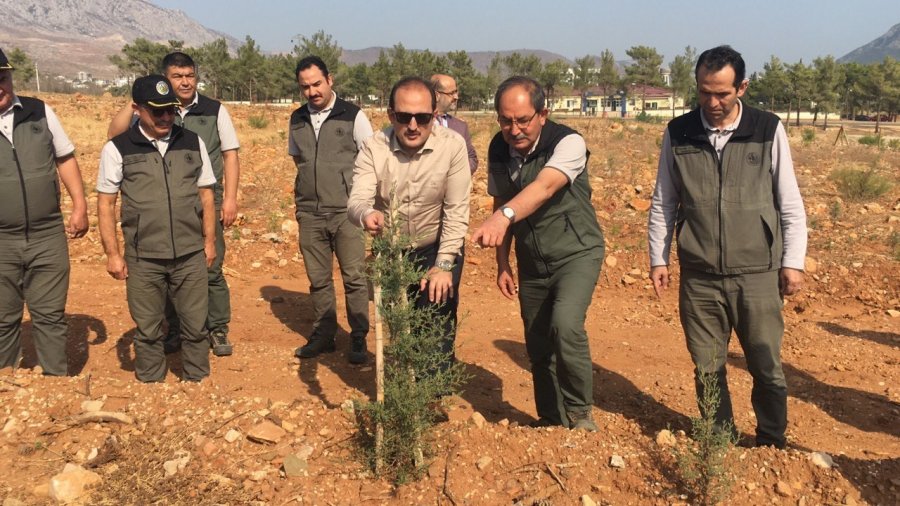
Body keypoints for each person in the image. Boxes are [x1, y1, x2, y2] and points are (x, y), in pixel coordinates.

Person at [647, 45, 807, 449]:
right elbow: (664, 200)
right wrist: (658, 256)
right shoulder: (679, 132)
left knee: (766, 364)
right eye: (705, 92)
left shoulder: (767, 129)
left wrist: (793, 262)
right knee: (707, 366)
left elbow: (789, 201)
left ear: (742, 87)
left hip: (757, 273)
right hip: (700, 276)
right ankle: (719, 438)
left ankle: (772, 440)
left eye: (722, 93)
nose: (713, 102)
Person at [472, 76, 604, 431]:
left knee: (565, 326)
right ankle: (550, 417)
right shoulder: (499, 148)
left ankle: (579, 415)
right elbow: (501, 200)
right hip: (532, 261)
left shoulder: (568, 142)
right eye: (505, 120)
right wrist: (503, 263)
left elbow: (544, 187)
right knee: (537, 341)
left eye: (523, 120)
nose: (513, 129)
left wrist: (503, 216)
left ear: (543, 114)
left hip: (576, 254)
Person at [108, 51, 241, 357]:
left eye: (190, 75)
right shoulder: (152, 111)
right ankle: (177, 329)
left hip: (205, 202)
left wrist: (230, 198)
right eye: (177, 76)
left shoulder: (213, 110)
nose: (185, 82)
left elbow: (230, 154)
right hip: (162, 207)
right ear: (164, 80)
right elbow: (113, 135)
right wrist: (139, 102)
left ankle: (217, 328)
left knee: (210, 267)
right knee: (168, 271)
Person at [97, 75, 217, 382]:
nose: (166, 117)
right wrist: (113, 254)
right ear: (137, 109)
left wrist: (209, 242)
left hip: (190, 253)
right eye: (157, 110)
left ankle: (196, 380)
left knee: (195, 325)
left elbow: (206, 195)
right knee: (149, 327)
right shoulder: (117, 148)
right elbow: (106, 204)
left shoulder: (191, 141)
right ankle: (150, 383)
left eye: (170, 110)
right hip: (143, 257)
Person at [347, 76, 471, 374]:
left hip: (438, 246)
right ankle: (405, 386)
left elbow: (456, 211)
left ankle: (431, 394)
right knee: (401, 325)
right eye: (404, 117)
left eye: (423, 117)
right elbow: (357, 200)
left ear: (434, 115)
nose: (413, 125)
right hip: (393, 251)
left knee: (436, 320)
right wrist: (366, 215)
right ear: (391, 115)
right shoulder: (374, 147)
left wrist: (443, 266)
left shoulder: (453, 146)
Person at [0, 47, 88, 375]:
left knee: (50, 314)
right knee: (3, 318)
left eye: (3, 77)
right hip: (1, 240)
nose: (0, 85)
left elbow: (64, 158)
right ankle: (8, 391)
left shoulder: (39, 112)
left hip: (47, 233)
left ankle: (56, 386)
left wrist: (79, 205)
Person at [289, 56, 372, 364]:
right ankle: (324, 335)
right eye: (305, 87)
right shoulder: (296, 119)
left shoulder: (353, 116)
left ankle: (359, 337)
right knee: (318, 279)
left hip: (346, 213)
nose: (312, 91)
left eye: (317, 84)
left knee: (354, 277)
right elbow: (299, 161)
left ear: (330, 80)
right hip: (310, 213)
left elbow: (371, 158)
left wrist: (356, 197)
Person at [430, 74, 478, 173]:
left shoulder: (461, 127)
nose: (456, 97)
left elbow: (472, 159)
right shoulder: (419, 124)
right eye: (451, 93)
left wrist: (456, 173)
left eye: (456, 92)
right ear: (436, 95)